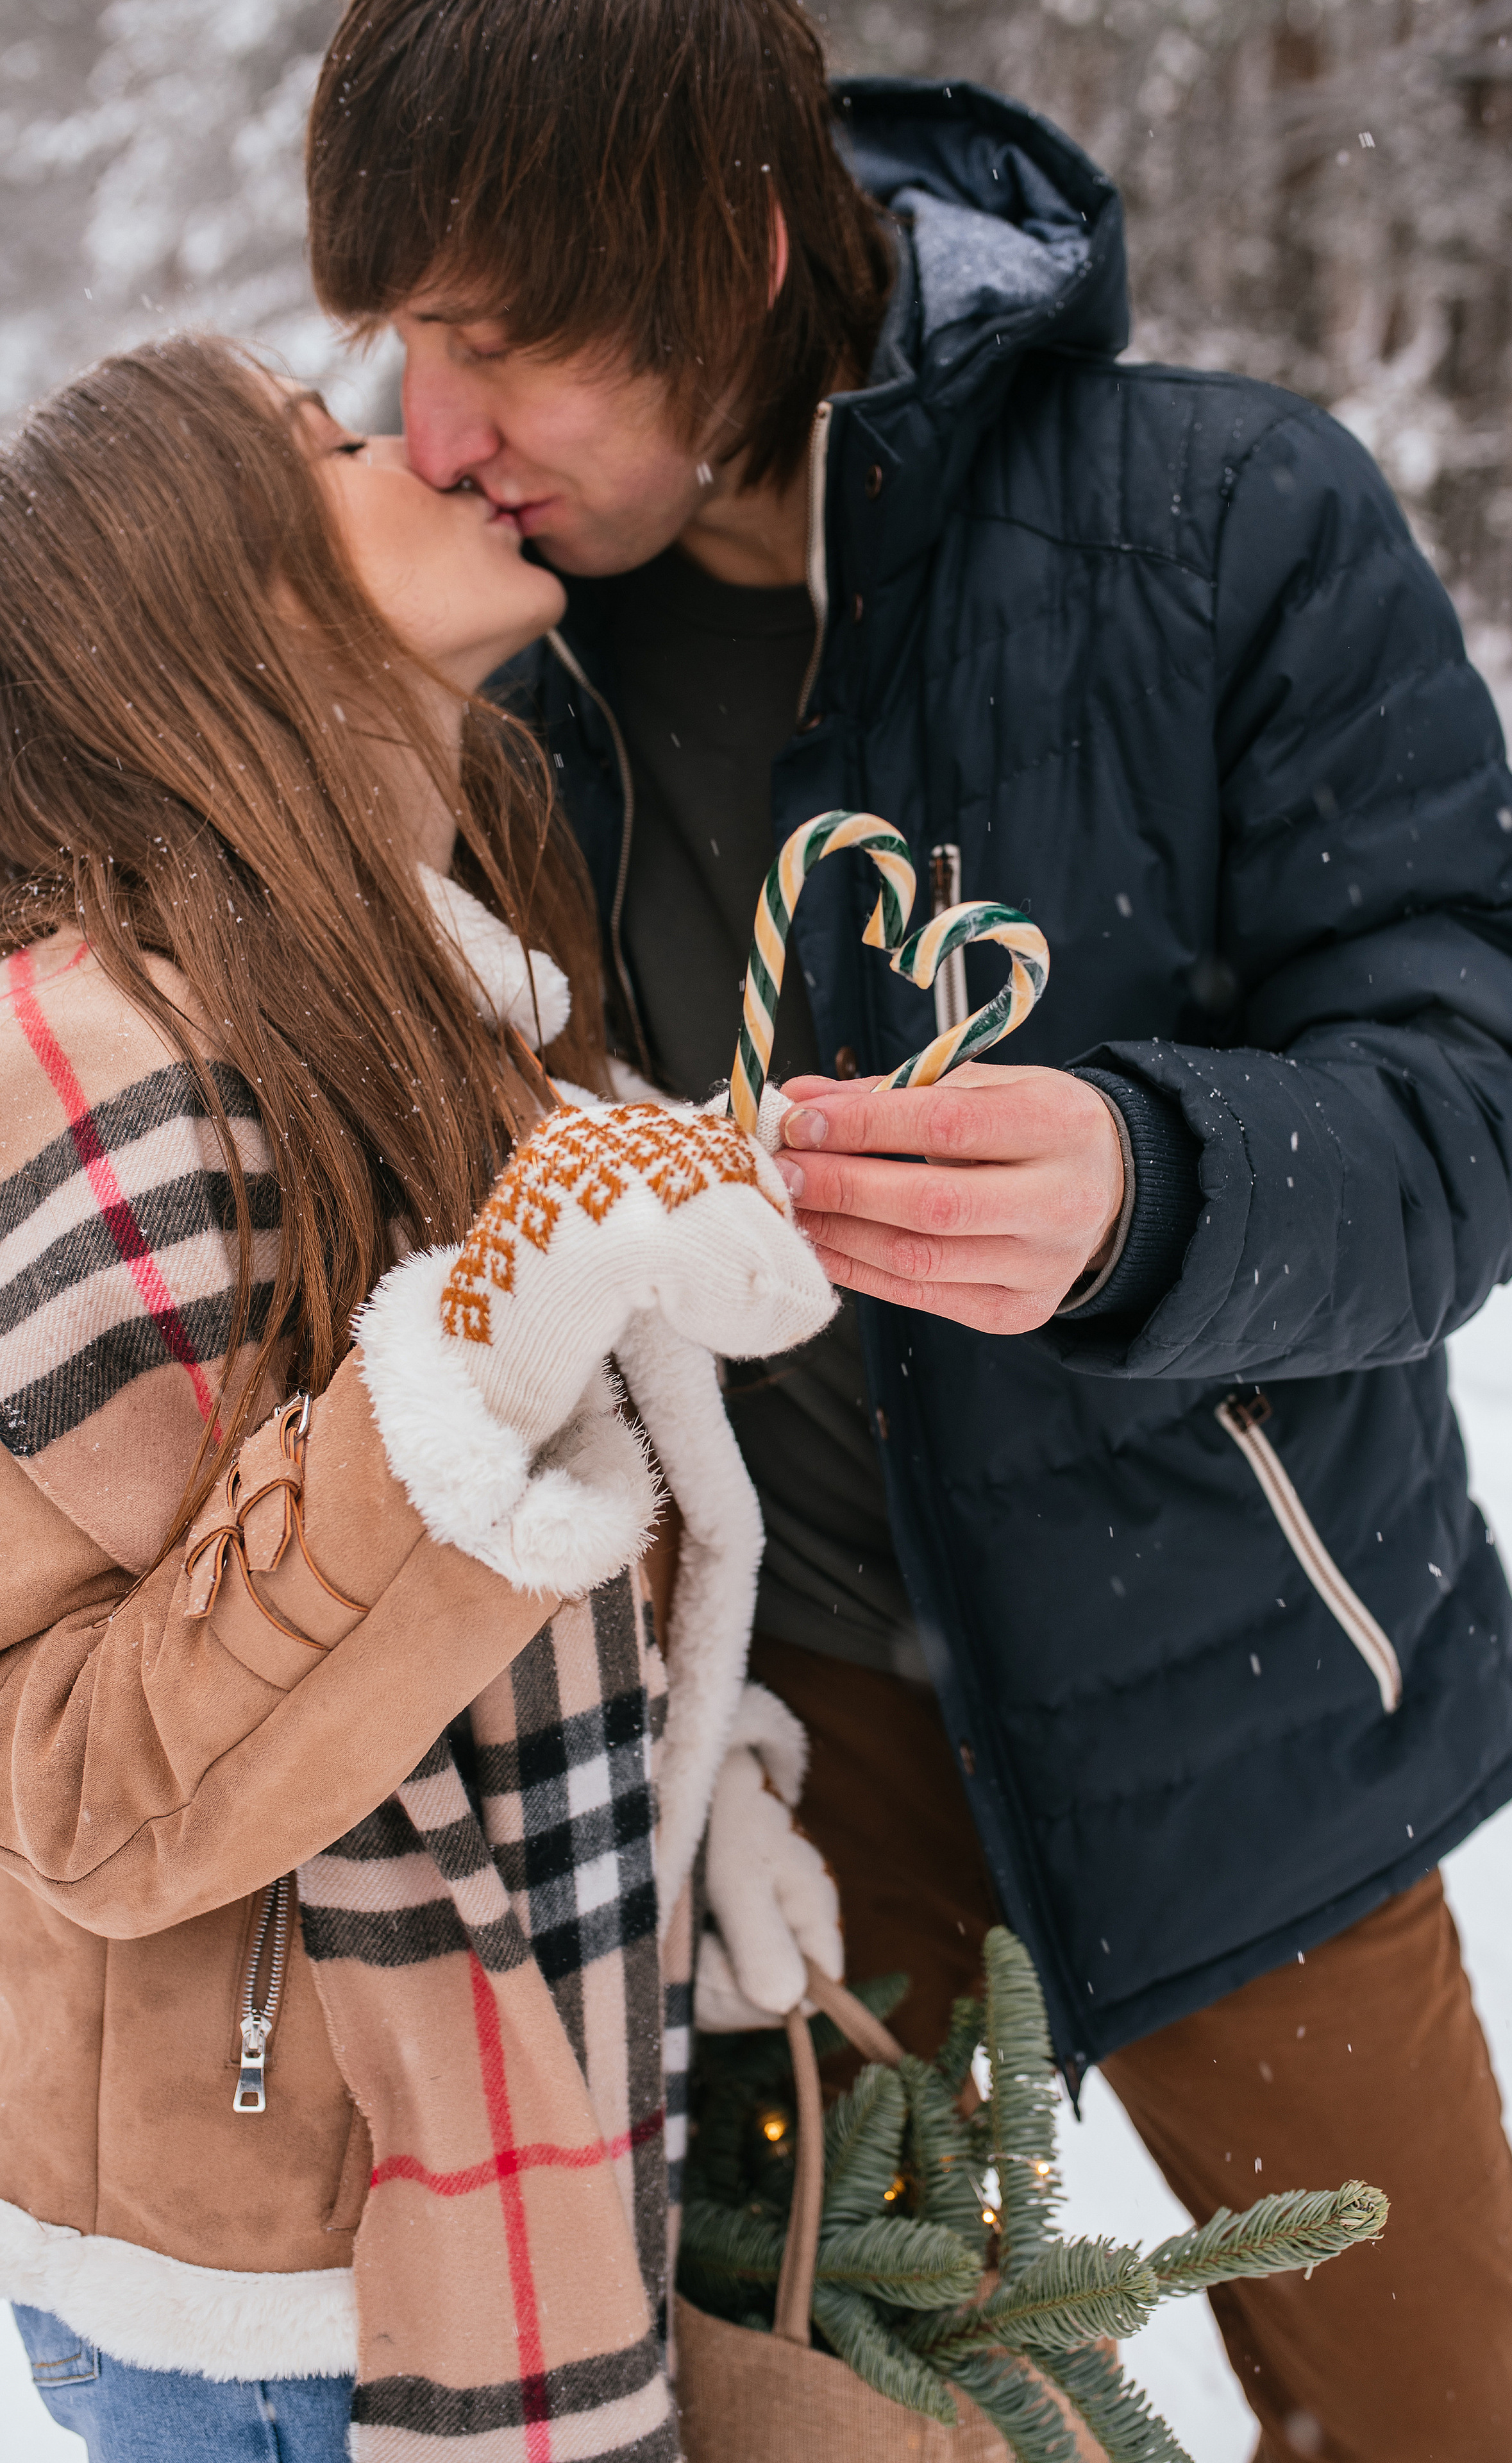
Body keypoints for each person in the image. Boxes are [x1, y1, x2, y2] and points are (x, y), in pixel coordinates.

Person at [305, 5, 1512, 2455]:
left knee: (1424, 2415)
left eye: (502, 340)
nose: (432, 424)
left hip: (1243, 1709)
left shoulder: (1227, 524)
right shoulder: (479, 634)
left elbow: (1477, 1081)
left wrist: (1157, 1181)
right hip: (785, 1748)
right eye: (400, 336)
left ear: (737, 249)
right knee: (846, 2416)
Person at [0, 333, 841, 2462]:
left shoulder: (426, 980)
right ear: (235, 596)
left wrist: (694, 1771)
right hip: (300, 2315)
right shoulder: (102, 1067)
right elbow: (87, 1794)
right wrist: (480, 1353)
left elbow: (441, 1643)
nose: (418, 442)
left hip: (478, 2181)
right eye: (333, 443)